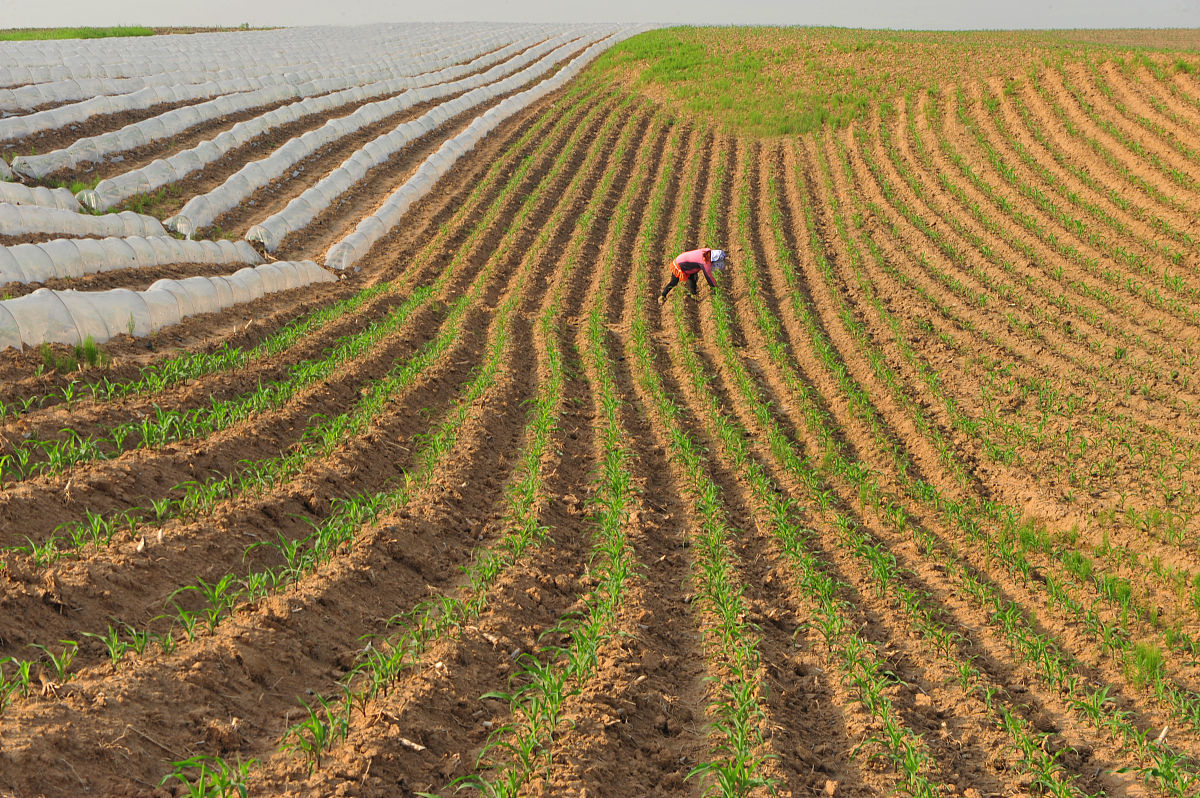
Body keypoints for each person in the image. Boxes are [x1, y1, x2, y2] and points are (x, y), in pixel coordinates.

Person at [659, 248, 727, 304]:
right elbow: (709, 277)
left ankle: (693, 294)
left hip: (686, 262)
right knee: (674, 282)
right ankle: (663, 295)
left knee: (693, 278)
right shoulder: (705, 262)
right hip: (679, 264)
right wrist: (715, 288)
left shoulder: (707, 251)